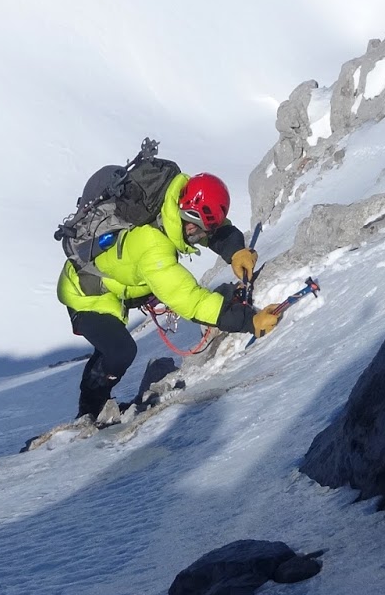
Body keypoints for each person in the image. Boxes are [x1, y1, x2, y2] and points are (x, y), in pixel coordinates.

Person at [56, 170, 285, 420]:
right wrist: (248, 321)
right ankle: (89, 411)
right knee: (119, 351)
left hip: (116, 284)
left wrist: (236, 251)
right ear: (188, 221)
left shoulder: (172, 199)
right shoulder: (153, 247)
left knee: (112, 347)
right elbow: (191, 301)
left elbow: (213, 228)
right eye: (198, 233)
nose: (201, 240)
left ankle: (94, 406)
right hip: (84, 293)